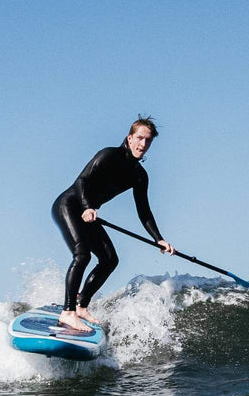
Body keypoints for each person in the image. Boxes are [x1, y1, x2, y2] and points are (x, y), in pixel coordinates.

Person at [52, 116, 176, 332]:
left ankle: (81, 306)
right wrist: (88, 206)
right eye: (139, 138)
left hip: (88, 213)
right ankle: (68, 312)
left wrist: (159, 239)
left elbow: (144, 211)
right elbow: (81, 181)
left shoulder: (139, 176)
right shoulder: (108, 155)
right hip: (69, 206)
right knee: (82, 255)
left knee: (110, 259)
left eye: (148, 141)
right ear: (129, 138)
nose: (143, 145)